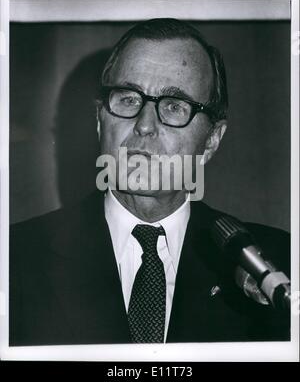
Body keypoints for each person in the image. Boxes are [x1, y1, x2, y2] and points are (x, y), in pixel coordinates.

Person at [9, 18, 290, 346]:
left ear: (211, 140)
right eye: (128, 99)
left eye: (173, 106)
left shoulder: (278, 264)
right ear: (101, 121)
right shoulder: (15, 258)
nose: (144, 125)